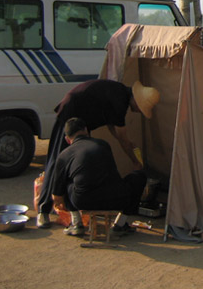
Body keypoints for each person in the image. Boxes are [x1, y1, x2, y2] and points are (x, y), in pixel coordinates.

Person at [36, 79, 160, 229]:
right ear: (136, 100)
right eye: (140, 108)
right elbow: (122, 137)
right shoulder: (120, 101)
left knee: (69, 168)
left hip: (82, 120)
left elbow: (113, 128)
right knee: (57, 162)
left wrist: (129, 145)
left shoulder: (119, 93)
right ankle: (43, 211)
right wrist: (135, 160)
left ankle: (75, 218)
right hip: (71, 116)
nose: (138, 111)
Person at [52, 117, 147, 236]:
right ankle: (120, 224)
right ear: (86, 130)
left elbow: (57, 196)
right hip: (116, 199)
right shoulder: (103, 144)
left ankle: (76, 223)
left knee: (67, 181)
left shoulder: (64, 155)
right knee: (139, 177)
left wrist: (61, 204)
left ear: (67, 139)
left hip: (83, 201)